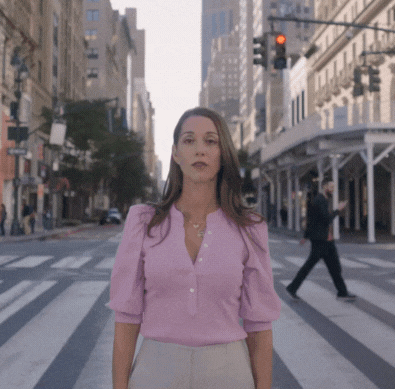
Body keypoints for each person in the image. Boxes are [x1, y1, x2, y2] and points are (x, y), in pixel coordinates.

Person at [110, 107, 280, 389]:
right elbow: (126, 318)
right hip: (156, 371)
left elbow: (259, 325)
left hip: (229, 372)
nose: (200, 150)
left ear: (222, 154)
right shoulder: (143, 222)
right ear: (176, 154)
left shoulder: (249, 228)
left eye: (210, 141)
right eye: (189, 141)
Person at [286, 178, 357, 301]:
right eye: (331, 187)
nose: (333, 189)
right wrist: (338, 210)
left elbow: (311, 219)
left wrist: (306, 236)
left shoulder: (320, 200)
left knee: (334, 267)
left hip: (325, 240)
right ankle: (292, 287)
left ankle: (342, 292)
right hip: (321, 241)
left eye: (334, 187)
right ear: (324, 187)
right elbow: (326, 219)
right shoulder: (320, 200)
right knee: (311, 266)